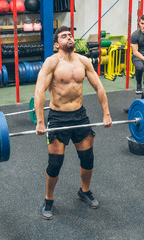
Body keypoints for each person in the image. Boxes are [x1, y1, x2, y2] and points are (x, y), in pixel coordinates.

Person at [34, 26, 112, 220]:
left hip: (80, 115)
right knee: (55, 163)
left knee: (87, 158)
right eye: (64, 36)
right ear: (56, 44)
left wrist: (106, 113)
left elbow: (99, 87)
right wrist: (41, 121)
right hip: (58, 117)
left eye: (70, 35)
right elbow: (39, 91)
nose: (69, 37)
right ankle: (49, 199)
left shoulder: (83, 61)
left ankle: (84, 191)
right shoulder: (51, 62)